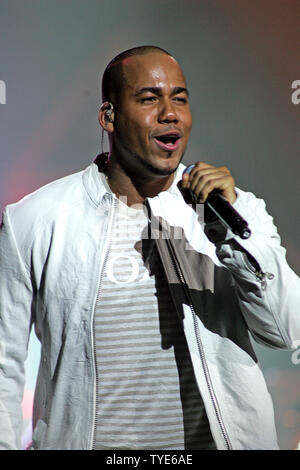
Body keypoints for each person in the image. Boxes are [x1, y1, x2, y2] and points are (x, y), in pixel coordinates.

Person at [0, 45, 299, 451]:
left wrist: (231, 235)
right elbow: (4, 365)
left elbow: (287, 331)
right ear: (109, 116)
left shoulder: (233, 212)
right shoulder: (33, 221)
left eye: (180, 98)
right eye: (149, 99)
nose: (170, 113)